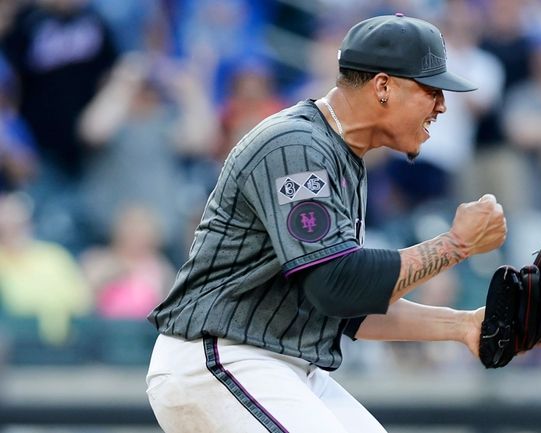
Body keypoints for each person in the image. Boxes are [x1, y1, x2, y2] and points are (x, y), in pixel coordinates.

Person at [145, 14, 507, 433]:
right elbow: (336, 284)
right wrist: (455, 245)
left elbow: (349, 309)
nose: (442, 104)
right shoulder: (295, 147)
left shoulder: (342, 156)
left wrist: (464, 326)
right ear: (384, 86)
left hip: (282, 365)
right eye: (431, 89)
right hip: (221, 357)